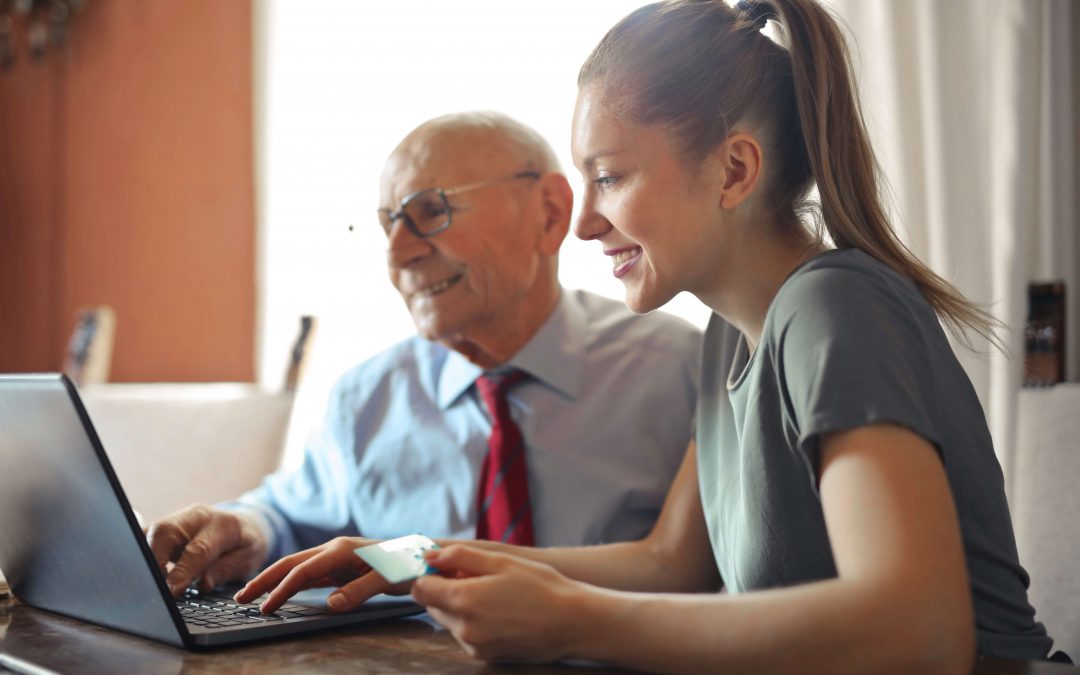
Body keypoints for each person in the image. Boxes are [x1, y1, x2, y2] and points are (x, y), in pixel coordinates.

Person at [236, 1, 1066, 672]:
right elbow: (674, 561)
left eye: (610, 174)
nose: (587, 220)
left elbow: (917, 633)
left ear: (735, 171)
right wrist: (413, 559)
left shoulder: (833, 310)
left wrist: (570, 622)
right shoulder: (730, 338)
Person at [146, 111, 702, 600]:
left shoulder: (680, 371)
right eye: (389, 223)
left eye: (429, 211)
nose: (398, 254)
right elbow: (290, 516)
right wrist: (244, 528)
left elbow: (699, 572)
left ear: (550, 213)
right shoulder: (368, 396)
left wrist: (409, 560)